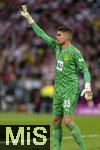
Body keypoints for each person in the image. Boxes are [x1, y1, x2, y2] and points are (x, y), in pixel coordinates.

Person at [20, 5, 92, 150]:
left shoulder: (74, 53)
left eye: (59, 35)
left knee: (67, 122)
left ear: (67, 37)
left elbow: (85, 70)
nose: (56, 36)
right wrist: (29, 19)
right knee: (55, 121)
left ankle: (84, 149)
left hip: (70, 89)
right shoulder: (56, 47)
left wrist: (88, 85)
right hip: (58, 90)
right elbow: (41, 35)